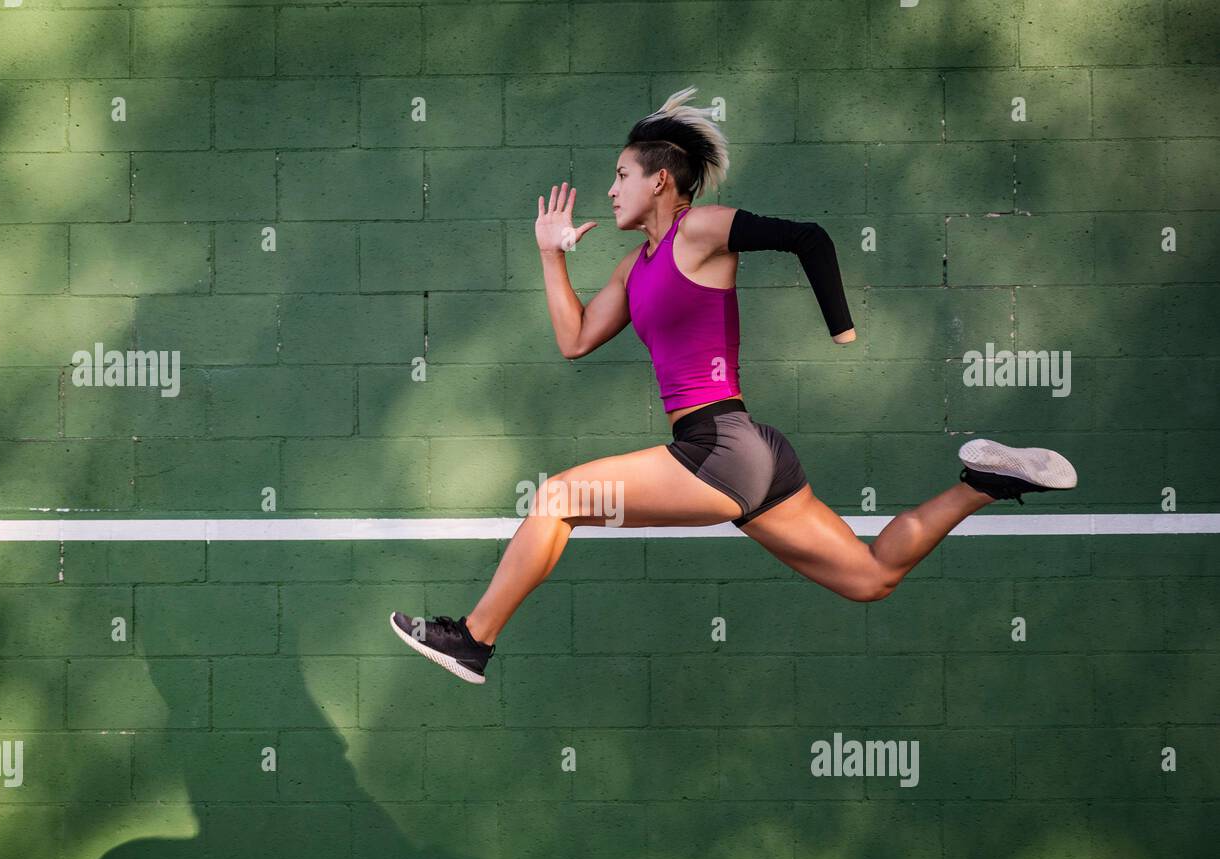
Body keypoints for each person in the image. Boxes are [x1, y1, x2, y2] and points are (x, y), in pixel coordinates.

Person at [390, 86, 1076, 683]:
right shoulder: (636, 266)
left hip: (717, 448)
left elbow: (808, 237)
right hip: (749, 453)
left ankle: (473, 641)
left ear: (661, 180)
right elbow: (574, 340)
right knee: (871, 578)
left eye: (621, 175)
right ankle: (982, 482)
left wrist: (841, 327)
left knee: (558, 497)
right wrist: (549, 255)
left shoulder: (699, 232)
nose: (611, 189)